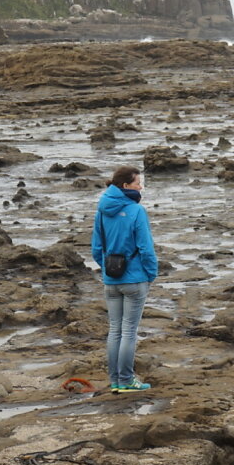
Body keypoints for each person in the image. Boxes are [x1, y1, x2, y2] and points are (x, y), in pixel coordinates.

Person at [91, 165, 158, 393]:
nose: (141, 187)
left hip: (111, 280)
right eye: (138, 183)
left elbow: (96, 248)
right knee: (129, 331)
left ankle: (116, 381)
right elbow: (146, 249)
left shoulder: (101, 210)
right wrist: (151, 274)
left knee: (115, 330)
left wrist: (109, 268)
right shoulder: (137, 211)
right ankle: (127, 380)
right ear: (126, 186)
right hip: (135, 280)